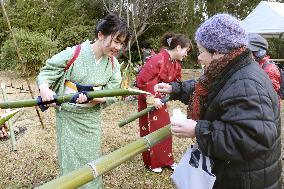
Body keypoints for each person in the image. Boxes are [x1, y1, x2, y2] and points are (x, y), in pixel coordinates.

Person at [155, 14, 281, 188]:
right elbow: (211, 91)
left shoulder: (246, 84)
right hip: (238, 173)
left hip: (246, 180)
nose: (198, 57)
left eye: (201, 51)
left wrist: (198, 130)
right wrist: (174, 88)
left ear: (218, 52)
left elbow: (251, 138)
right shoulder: (231, 70)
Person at [36, 13, 131, 189]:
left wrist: (96, 97)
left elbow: (112, 92)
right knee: (71, 162)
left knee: (92, 160)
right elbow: (47, 71)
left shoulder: (113, 65)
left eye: (122, 43)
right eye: (116, 41)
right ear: (101, 35)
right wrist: (44, 89)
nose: (118, 47)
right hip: (70, 119)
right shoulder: (75, 53)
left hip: (91, 121)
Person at [135, 32, 192, 173]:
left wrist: (172, 90)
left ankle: (166, 160)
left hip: (161, 100)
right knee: (152, 129)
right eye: (186, 51)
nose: (186, 55)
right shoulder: (158, 58)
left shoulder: (175, 64)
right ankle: (152, 163)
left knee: (165, 128)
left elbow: (176, 82)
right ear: (178, 47)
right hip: (150, 99)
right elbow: (142, 79)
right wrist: (153, 97)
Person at [248, 33, 281, 98]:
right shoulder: (256, 64)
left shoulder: (269, 69)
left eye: (252, 52)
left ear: (259, 52)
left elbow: (270, 93)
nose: (250, 55)